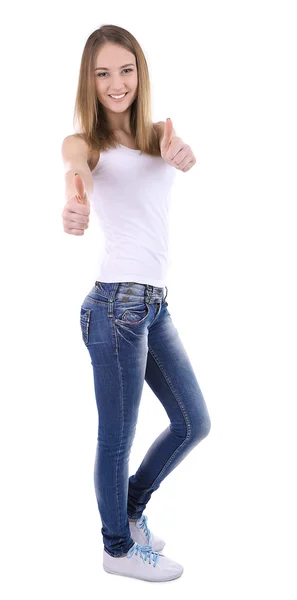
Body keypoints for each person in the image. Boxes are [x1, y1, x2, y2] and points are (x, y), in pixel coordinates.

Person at [61, 24, 211, 583]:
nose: (116, 82)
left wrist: (184, 154)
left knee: (193, 422)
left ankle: (127, 508)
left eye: (125, 70)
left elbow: (177, 155)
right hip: (115, 308)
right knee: (116, 437)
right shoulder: (87, 144)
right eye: (102, 73)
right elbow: (74, 169)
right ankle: (117, 547)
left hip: (153, 305)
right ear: (90, 81)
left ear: (139, 73)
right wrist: (73, 202)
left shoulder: (158, 134)